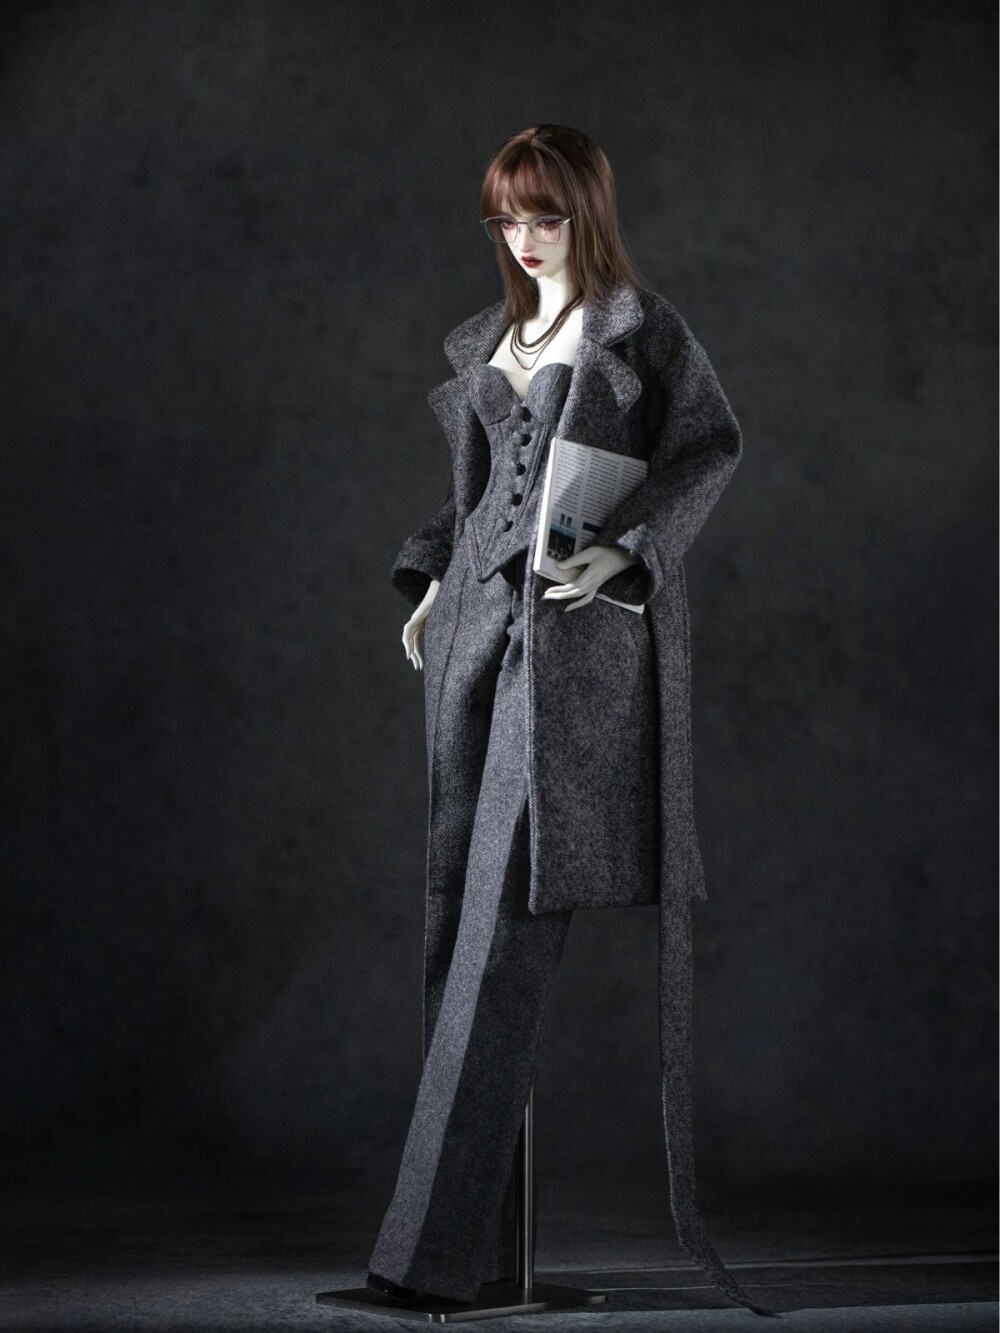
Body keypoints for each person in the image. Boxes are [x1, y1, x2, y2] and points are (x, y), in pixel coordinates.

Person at [366, 124, 772, 1317]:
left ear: (585, 212)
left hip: (570, 651)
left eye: (543, 215)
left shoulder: (640, 332)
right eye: (506, 218)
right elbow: (476, 496)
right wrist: (433, 581)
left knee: (502, 925)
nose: (523, 238)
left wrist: (628, 553)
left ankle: (427, 1256)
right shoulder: (488, 337)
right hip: (468, 636)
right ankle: (476, 1252)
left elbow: (709, 448)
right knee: (452, 913)